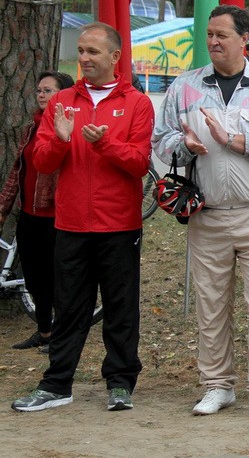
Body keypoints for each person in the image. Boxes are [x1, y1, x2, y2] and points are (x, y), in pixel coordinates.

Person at [152, 5, 249, 419]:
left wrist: (234, 140)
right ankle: (217, 385)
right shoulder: (185, 87)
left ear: (244, 39)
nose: (213, 42)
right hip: (208, 215)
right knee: (211, 305)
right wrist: (184, 146)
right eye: (210, 34)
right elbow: (161, 141)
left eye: (222, 35)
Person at [11, 22, 154, 412]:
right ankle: (57, 384)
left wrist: (104, 142)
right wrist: (60, 139)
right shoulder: (62, 101)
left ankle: (120, 383)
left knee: (121, 308)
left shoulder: (137, 103)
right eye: (81, 51)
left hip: (119, 225)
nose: (85, 58)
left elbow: (139, 163)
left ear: (115, 56)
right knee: (69, 308)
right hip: (71, 224)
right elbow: (42, 162)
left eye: (93, 51)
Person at [0, 71, 74, 353]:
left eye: (48, 90)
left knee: (58, 280)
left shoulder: (68, 126)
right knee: (33, 278)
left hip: (57, 216)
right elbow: (17, 170)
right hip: (28, 214)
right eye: (39, 90)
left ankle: (63, 337)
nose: (41, 95)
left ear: (63, 95)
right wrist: (4, 207)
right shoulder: (32, 128)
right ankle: (44, 331)